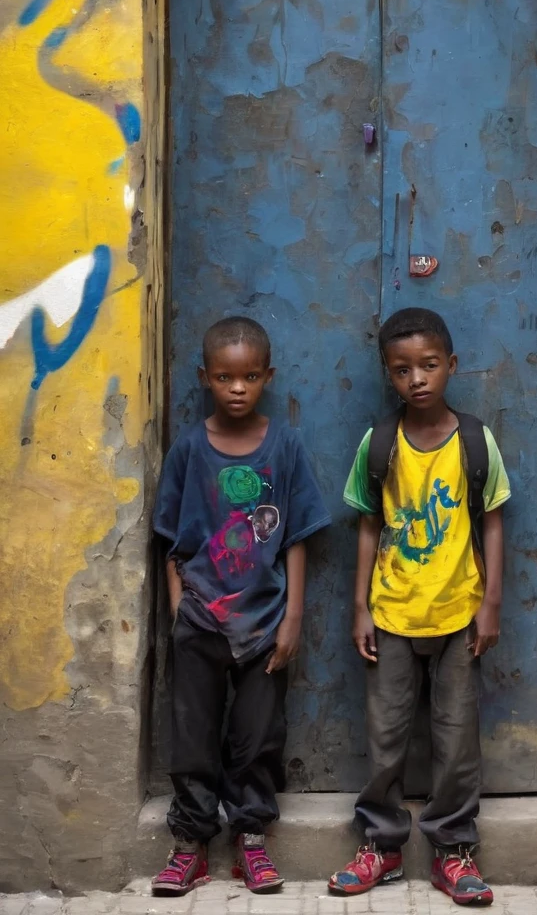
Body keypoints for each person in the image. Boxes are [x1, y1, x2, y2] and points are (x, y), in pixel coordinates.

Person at [329, 307, 510, 907]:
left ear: (451, 366)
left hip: (459, 612)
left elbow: (492, 521)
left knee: (457, 740)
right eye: (403, 369)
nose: (418, 379)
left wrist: (491, 604)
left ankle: (453, 850)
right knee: (386, 737)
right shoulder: (378, 444)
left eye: (430, 365)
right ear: (389, 375)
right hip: (391, 614)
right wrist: (360, 607)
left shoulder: (475, 441)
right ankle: (380, 845)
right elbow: (366, 526)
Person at [151, 316, 330, 897]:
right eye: (225, 376)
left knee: (258, 739)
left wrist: (293, 618)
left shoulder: (284, 445)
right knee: (193, 735)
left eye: (250, 376)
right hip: (201, 619)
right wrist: (180, 611)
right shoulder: (188, 449)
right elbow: (170, 540)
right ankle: (192, 844)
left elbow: (298, 534)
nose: (237, 387)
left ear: (267, 377)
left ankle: (251, 842)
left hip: (263, 624)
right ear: (205, 377)